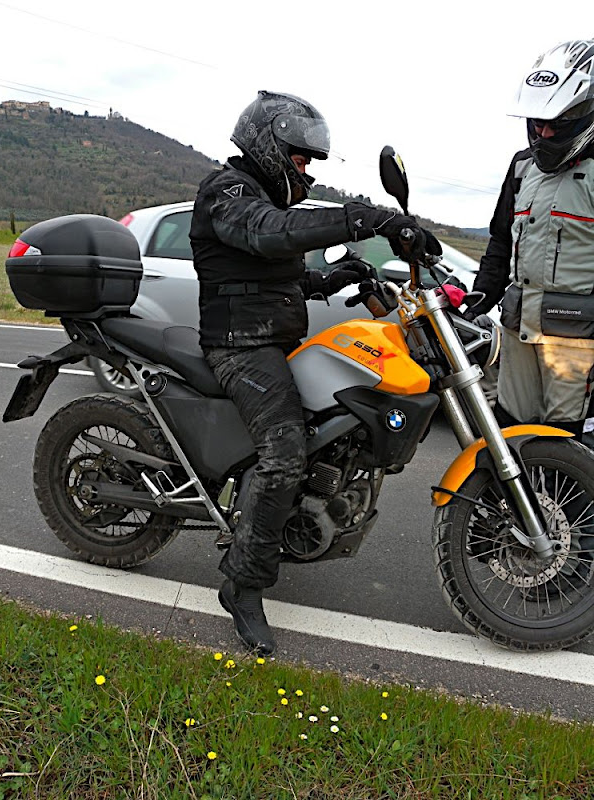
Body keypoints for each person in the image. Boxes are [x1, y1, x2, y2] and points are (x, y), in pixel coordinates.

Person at [189, 90, 441, 655]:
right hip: (240, 347)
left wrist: (335, 278)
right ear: (268, 145)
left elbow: (268, 277)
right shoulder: (227, 191)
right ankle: (242, 585)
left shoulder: (260, 197)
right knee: (285, 453)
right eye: (300, 157)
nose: (306, 169)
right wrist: (366, 219)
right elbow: (268, 233)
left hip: (272, 340)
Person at [466, 40, 594, 441]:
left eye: (556, 123)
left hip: (577, 345)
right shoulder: (522, 166)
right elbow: (500, 243)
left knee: (565, 446)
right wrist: (477, 300)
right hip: (518, 330)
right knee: (510, 434)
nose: (544, 132)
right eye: (537, 122)